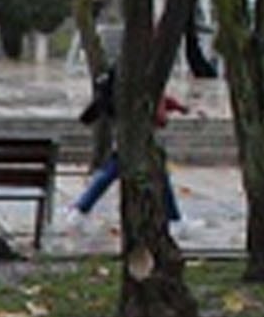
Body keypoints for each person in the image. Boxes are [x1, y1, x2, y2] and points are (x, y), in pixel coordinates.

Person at [72, 68, 188, 221]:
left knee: (113, 172)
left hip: (124, 136)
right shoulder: (148, 77)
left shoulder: (125, 79)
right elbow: (161, 120)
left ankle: (80, 209)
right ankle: (174, 218)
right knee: (157, 174)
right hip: (140, 139)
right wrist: (164, 108)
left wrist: (175, 106)